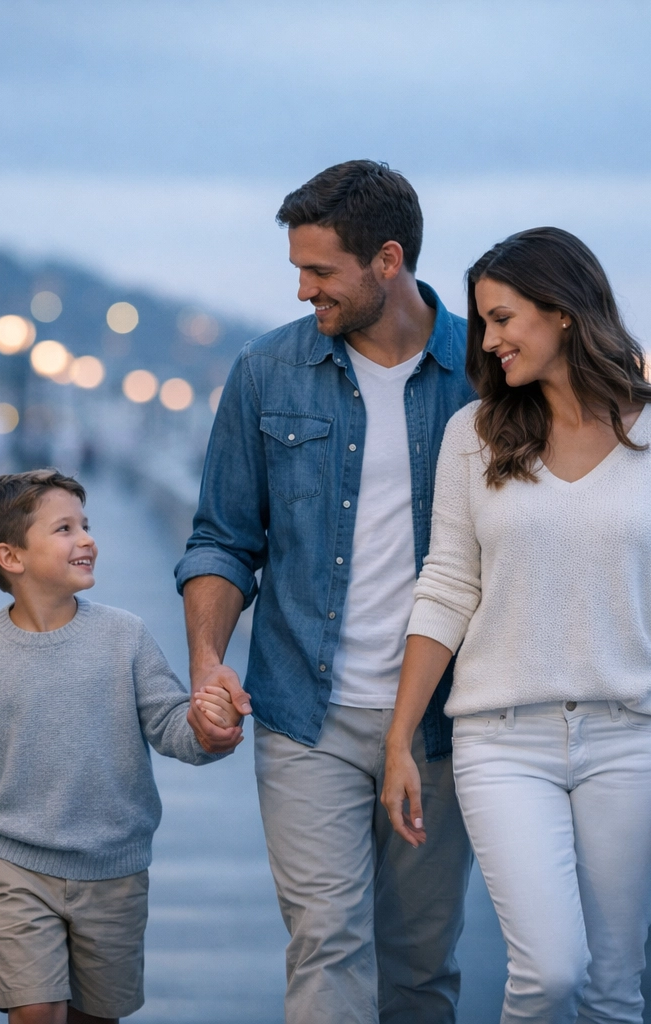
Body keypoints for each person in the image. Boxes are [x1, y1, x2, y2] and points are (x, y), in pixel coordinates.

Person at [381, 227, 651, 1023]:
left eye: (502, 319)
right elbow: (446, 587)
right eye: (485, 322)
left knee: (612, 990)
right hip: (503, 741)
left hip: (634, 740)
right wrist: (400, 738)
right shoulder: (475, 436)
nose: (489, 340)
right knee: (550, 973)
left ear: (562, 312)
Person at [177, 160, 477, 1023]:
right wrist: (208, 662)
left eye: (320, 271)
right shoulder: (267, 371)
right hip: (308, 717)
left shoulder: (485, 379)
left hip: (442, 729)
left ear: (388, 260)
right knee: (326, 944)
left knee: (420, 967)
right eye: (297, 271)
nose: (305, 290)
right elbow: (223, 539)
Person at [0, 471, 230, 1024]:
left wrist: (210, 730)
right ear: (11, 557)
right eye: (64, 528)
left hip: (113, 869)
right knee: (36, 1011)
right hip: (13, 863)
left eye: (85, 525)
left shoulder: (126, 636)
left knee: (95, 1018)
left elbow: (170, 724)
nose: (86, 539)